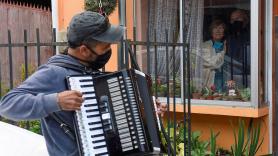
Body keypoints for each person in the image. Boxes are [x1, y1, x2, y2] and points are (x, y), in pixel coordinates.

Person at [0, 11, 167, 156]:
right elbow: (7, 105)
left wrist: (147, 111)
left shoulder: (89, 70)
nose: (109, 50)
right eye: (105, 46)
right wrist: (56, 101)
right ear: (84, 50)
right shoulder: (54, 73)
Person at [226, 9, 250, 88]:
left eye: (237, 19)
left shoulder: (251, 36)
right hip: (230, 75)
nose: (234, 22)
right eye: (232, 20)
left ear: (245, 20)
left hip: (248, 76)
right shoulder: (229, 38)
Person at [202, 20, 227, 91]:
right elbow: (211, 63)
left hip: (227, 78)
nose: (218, 30)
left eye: (221, 28)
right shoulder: (205, 45)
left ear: (224, 32)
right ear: (211, 31)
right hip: (212, 79)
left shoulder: (227, 45)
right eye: (215, 28)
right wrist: (223, 52)